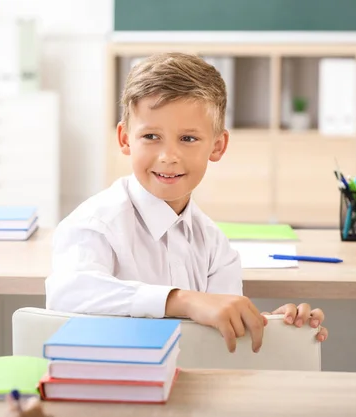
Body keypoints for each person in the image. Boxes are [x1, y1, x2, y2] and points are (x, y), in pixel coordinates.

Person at [45, 52, 328, 353]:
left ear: (217, 146)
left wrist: (278, 326)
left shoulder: (215, 246)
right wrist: (181, 300)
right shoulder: (96, 224)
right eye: (151, 136)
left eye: (188, 139)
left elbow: (222, 333)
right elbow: (68, 291)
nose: (169, 156)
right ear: (126, 139)